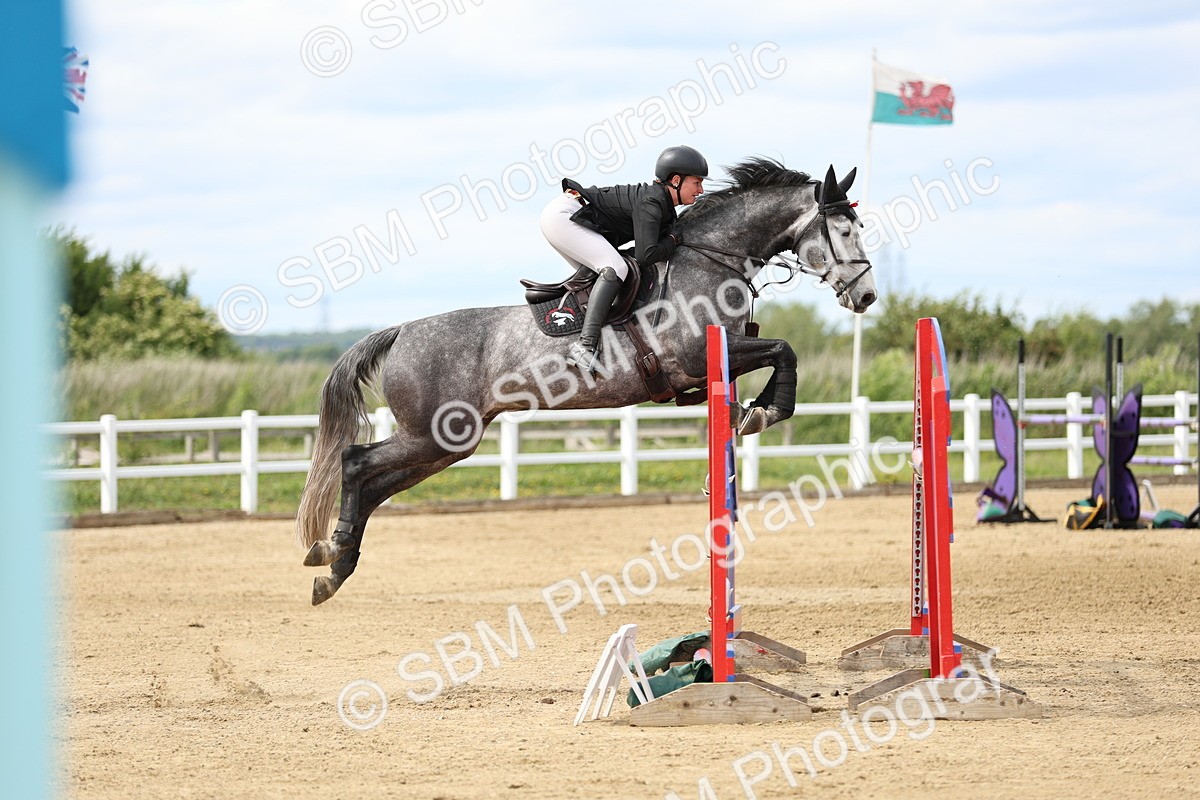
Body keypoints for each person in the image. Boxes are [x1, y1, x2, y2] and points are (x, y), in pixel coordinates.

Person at [540, 145, 708, 378]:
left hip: (569, 218)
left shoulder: (664, 206)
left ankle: (589, 335)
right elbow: (646, 255)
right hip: (565, 217)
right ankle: (585, 346)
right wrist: (672, 239)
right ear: (676, 180)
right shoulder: (653, 202)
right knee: (614, 268)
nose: (701, 190)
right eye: (697, 182)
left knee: (608, 275)